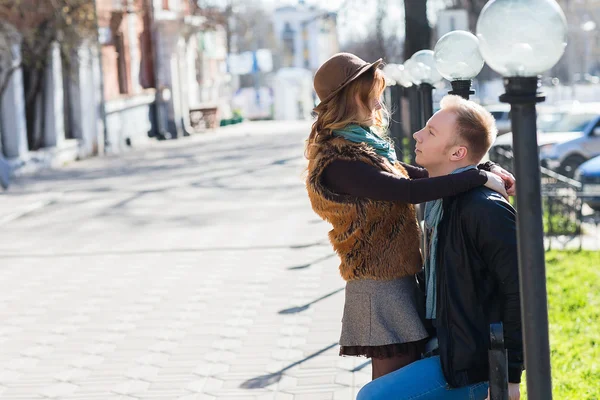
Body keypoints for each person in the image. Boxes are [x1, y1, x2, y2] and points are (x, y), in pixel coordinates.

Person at [305, 53, 515, 380]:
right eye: (371, 94)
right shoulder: (338, 160)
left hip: (398, 278)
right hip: (379, 287)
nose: (378, 104)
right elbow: (406, 192)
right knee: (389, 386)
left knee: (400, 380)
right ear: (350, 100)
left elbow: (415, 175)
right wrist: (477, 178)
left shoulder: (365, 147)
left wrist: (483, 167)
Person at [356, 95, 523, 399]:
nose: (417, 134)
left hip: (475, 367)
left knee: (373, 397)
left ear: (458, 152)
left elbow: (520, 293)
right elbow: (388, 174)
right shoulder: (442, 200)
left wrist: (509, 378)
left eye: (431, 132)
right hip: (446, 348)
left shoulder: (484, 209)